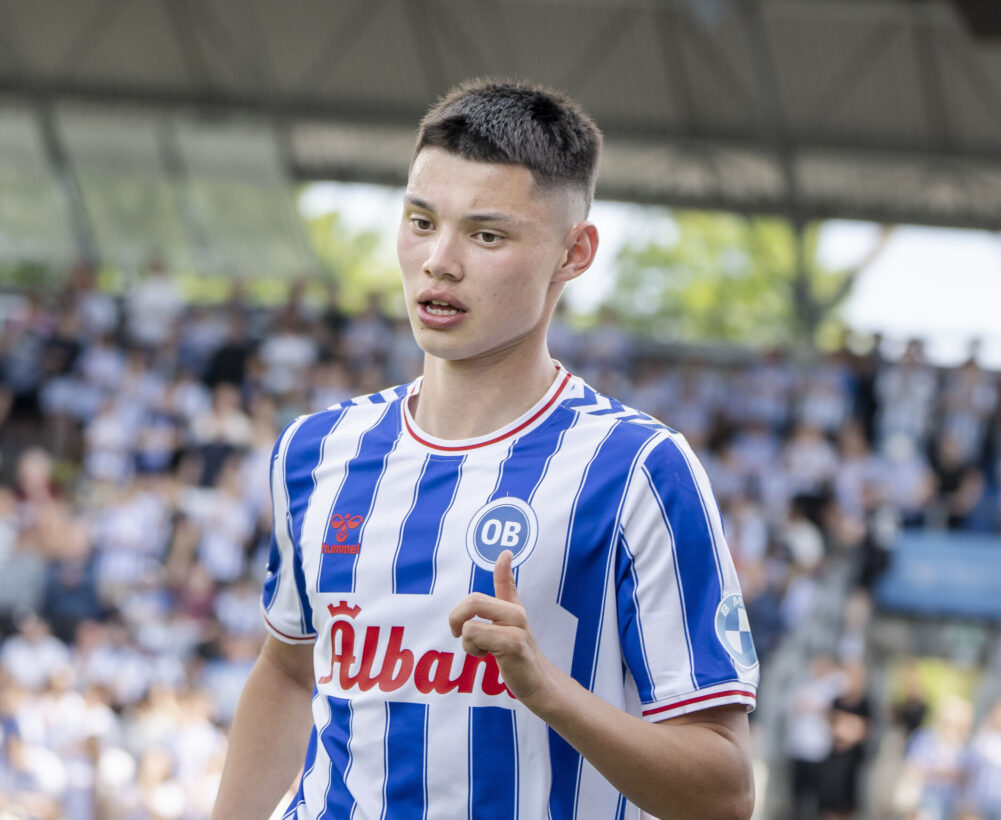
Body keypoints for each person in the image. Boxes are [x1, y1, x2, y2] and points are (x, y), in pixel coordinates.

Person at [213, 78, 758, 820]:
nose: (440, 260)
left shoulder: (637, 471)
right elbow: (286, 671)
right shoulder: (315, 452)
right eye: (420, 220)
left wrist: (546, 688)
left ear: (575, 253)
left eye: (487, 234)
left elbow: (724, 792)